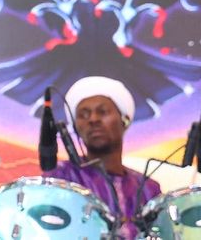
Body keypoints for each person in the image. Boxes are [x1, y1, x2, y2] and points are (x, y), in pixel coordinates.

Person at [46, 76, 162, 240]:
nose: (93, 119)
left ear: (125, 121)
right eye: (83, 115)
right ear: (76, 129)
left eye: (103, 112)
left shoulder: (149, 188)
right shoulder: (62, 177)